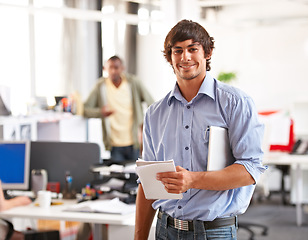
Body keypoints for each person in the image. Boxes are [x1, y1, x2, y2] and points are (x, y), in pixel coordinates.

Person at [134, 19, 266, 240]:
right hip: (165, 229)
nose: (185, 57)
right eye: (178, 51)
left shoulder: (235, 103)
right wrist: (139, 237)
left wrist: (192, 180)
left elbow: (250, 169)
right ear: (170, 58)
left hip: (214, 232)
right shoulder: (155, 114)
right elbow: (147, 183)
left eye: (192, 49)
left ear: (208, 52)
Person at [83, 55, 154, 162]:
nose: (113, 71)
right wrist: (100, 112)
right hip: (114, 144)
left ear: (122, 68)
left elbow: (152, 105)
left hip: (134, 142)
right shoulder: (100, 86)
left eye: (116, 67)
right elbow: (85, 110)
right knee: (117, 177)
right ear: (104, 69)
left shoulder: (133, 82)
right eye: (110, 68)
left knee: (136, 177)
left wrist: (145, 127)